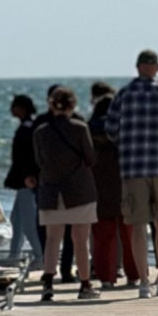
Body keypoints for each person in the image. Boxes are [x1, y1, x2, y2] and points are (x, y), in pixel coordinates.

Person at [103, 49, 158, 299]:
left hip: (133, 169)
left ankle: (143, 281)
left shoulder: (124, 95)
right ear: (157, 68)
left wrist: (130, 142)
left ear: (137, 66)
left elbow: (110, 130)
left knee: (137, 225)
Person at [33, 87, 99, 301]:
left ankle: (48, 284)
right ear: (73, 105)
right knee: (80, 240)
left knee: (53, 239)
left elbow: (39, 162)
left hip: (51, 191)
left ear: (51, 105)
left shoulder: (40, 131)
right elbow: (91, 158)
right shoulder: (80, 128)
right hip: (79, 190)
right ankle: (85, 285)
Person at [88, 82, 140, 290]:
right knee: (129, 236)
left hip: (99, 188)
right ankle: (133, 276)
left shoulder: (89, 130)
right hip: (124, 186)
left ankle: (106, 278)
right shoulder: (125, 130)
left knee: (103, 237)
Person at [32, 84, 79, 282]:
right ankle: (60, 269)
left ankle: (52, 269)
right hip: (69, 183)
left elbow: (35, 154)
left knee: (48, 229)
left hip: (48, 182)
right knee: (66, 231)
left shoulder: (41, 124)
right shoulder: (78, 123)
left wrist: (34, 174)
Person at [4, 94, 43, 266]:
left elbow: (27, 156)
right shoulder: (28, 126)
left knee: (28, 222)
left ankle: (40, 256)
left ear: (22, 108)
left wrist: (30, 176)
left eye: (15, 106)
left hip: (27, 180)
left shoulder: (27, 128)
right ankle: (14, 255)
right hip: (24, 179)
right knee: (16, 219)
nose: (12, 109)